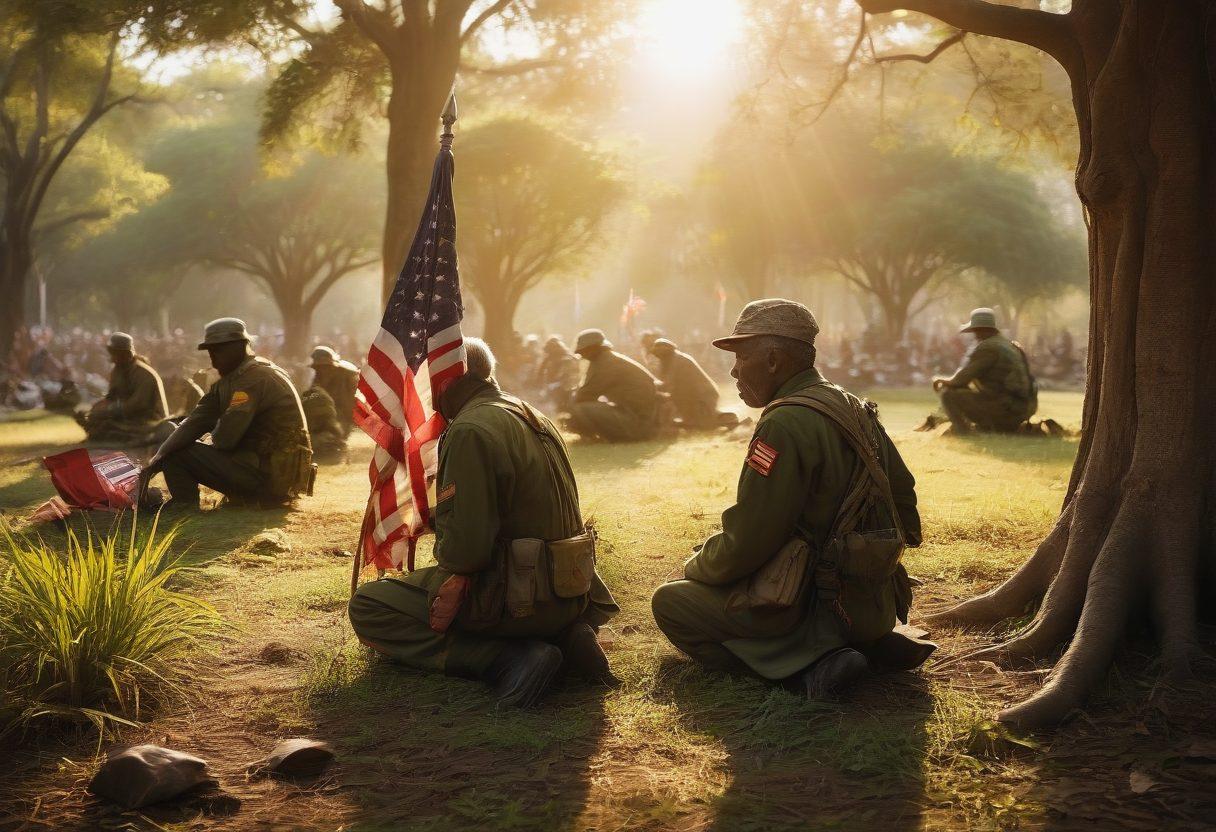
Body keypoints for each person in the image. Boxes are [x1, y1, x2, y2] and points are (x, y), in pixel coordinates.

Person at [651, 299, 933, 700]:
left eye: (742, 356)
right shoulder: (853, 406)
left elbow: (750, 540)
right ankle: (871, 643)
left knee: (671, 602)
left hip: (811, 606)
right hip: (873, 600)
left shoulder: (785, 421)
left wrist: (699, 564)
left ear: (772, 360)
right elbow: (904, 497)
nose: (733, 370)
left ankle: (803, 672)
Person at [348, 338, 620, 708]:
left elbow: (467, 552)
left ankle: (506, 659)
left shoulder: (470, 429)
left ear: (446, 380)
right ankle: (565, 636)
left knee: (369, 606)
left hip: (519, 599)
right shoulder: (531, 413)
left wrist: (445, 536)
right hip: (570, 592)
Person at [140, 318, 314, 510]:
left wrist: (175, 450)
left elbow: (226, 438)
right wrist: (158, 458)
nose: (213, 358)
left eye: (218, 351)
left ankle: (183, 507)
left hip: (271, 477)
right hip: (266, 470)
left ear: (240, 347)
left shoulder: (252, 379)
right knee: (173, 440)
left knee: (178, 452)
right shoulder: (238, 377)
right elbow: (197, 420)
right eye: (210, 352)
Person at [932, 308, 1037, 433]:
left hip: (1007, 409)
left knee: (948, 394)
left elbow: (960, 380)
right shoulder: (1010, 345)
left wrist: (940, 380)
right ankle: (991, 427)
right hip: (1023, 408)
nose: (975, 335)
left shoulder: (988, 348)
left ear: (980, 330)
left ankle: (962, 432)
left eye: (975, 331)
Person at [75, 332, 169, 446]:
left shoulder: (144, 375)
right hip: (129, 417)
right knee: (93, 417)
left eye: (115, 353)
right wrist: (95, 409)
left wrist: (108, 410)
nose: (113, 357)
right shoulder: (117, 371)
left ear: (125, 353)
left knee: (106, 425)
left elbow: (138, 404)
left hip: (148, 421)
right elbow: (112, 396)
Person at [567, 329, 661, 441]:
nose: (581, 354)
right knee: (581, 408)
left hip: (637, 422)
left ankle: (596, 437)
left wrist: (568, 403)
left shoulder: (606, 363)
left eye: (583, 350)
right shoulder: (606, 359)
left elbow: (584, 395)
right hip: (639, 418)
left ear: (593, 348)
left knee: (580, 409)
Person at [648, 338, 738, 430]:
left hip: (703, 394)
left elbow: (669, 382)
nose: (657, 356)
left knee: (706, 422)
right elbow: (665, 382)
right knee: (694, 422)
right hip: (691, 396)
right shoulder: (667, 362)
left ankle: (729, 419)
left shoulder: (677, 359)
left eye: (658, 353)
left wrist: (656, 389)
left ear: (666, 351)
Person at [309, 346, 359, 435]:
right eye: (318, 367)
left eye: (325, 366)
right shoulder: (318, 377)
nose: (322, 370)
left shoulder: (347, 376)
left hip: (346, 414)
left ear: (332, 366)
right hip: (329, 414)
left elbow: (352, 401)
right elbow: (314, 395)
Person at [536, 335, 580, 413]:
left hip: (565, 387)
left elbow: (571, 377)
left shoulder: (567, 359)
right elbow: (540, 373)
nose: (550, 354)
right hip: (552, 387)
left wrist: (557, 384)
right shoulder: (549, 358)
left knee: (563, 405)